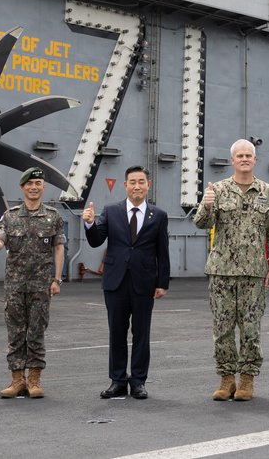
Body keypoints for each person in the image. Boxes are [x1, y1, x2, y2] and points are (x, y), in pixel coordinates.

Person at [191, 138, 269, 402]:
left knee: (251, 328)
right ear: (232, 161)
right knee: (222, 328)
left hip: (254, 273)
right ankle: (226, 378)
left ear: (255, 160)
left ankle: (247, 380)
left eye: (248, 155)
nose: (244, 159)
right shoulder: (217, 191)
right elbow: (201, 223)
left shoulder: (268, 192)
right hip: (222, 272)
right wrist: (207, 205)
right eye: (239, 155)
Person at [82, 165, 170, 400]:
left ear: (148, 185)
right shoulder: (111, 211)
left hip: (144, 282)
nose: (137, 186)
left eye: (141, 181)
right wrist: (89, 224)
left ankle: (138, 381)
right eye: (132, 182)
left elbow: (163, 251)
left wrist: (163, 282)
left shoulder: (159, 215)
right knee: (117, 333)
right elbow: (96, 240)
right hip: (116, 282)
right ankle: (118, 381)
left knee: (142, 334)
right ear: (125, 185)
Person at [0, 166, 65, 398]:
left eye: (38, 184)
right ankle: (17, 380)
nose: (33, 187)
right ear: (22, 187)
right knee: (15, 332)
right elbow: (0, 239)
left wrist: (57, 279)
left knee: (37, 332)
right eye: (29, 184)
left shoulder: (53, 216)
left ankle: (34, 380)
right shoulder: (10, 216)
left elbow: (59, 248)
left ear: (43, 187)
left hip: (41, 286)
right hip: (14, 287)